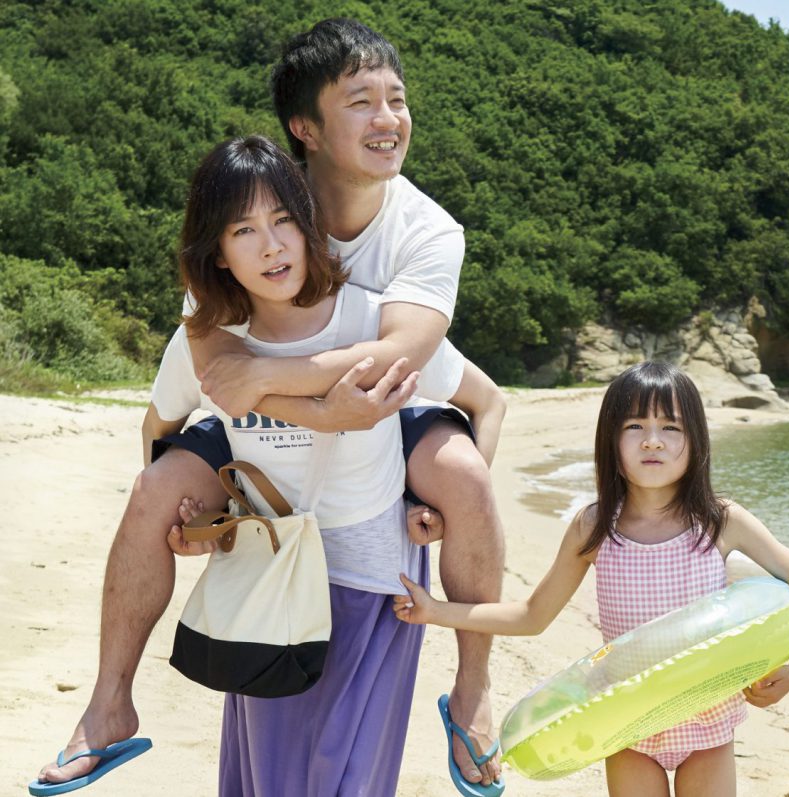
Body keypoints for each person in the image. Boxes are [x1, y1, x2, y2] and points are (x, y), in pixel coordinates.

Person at [35, 18, 504, 793]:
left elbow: (403, 354)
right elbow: (210, 356)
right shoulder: (260, 197)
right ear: (304, 128)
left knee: (463, 474)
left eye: (397, 98)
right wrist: (222, 487)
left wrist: (283, 389)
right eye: (361, 101)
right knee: (156, 488)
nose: (388, 118)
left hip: (384, 401)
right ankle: (110, 703)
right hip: (267, 415)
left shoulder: (425, 230)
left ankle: (474, 692)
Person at [393, 361, 789, 797]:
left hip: (708, 722)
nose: (652, 441)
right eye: (634, 426)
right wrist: (436, 611)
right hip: (626, 726)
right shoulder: (595, 528)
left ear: (696, 440)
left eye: (671, 427)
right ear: (611, 439)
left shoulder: (719, 521)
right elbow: (531, 616)